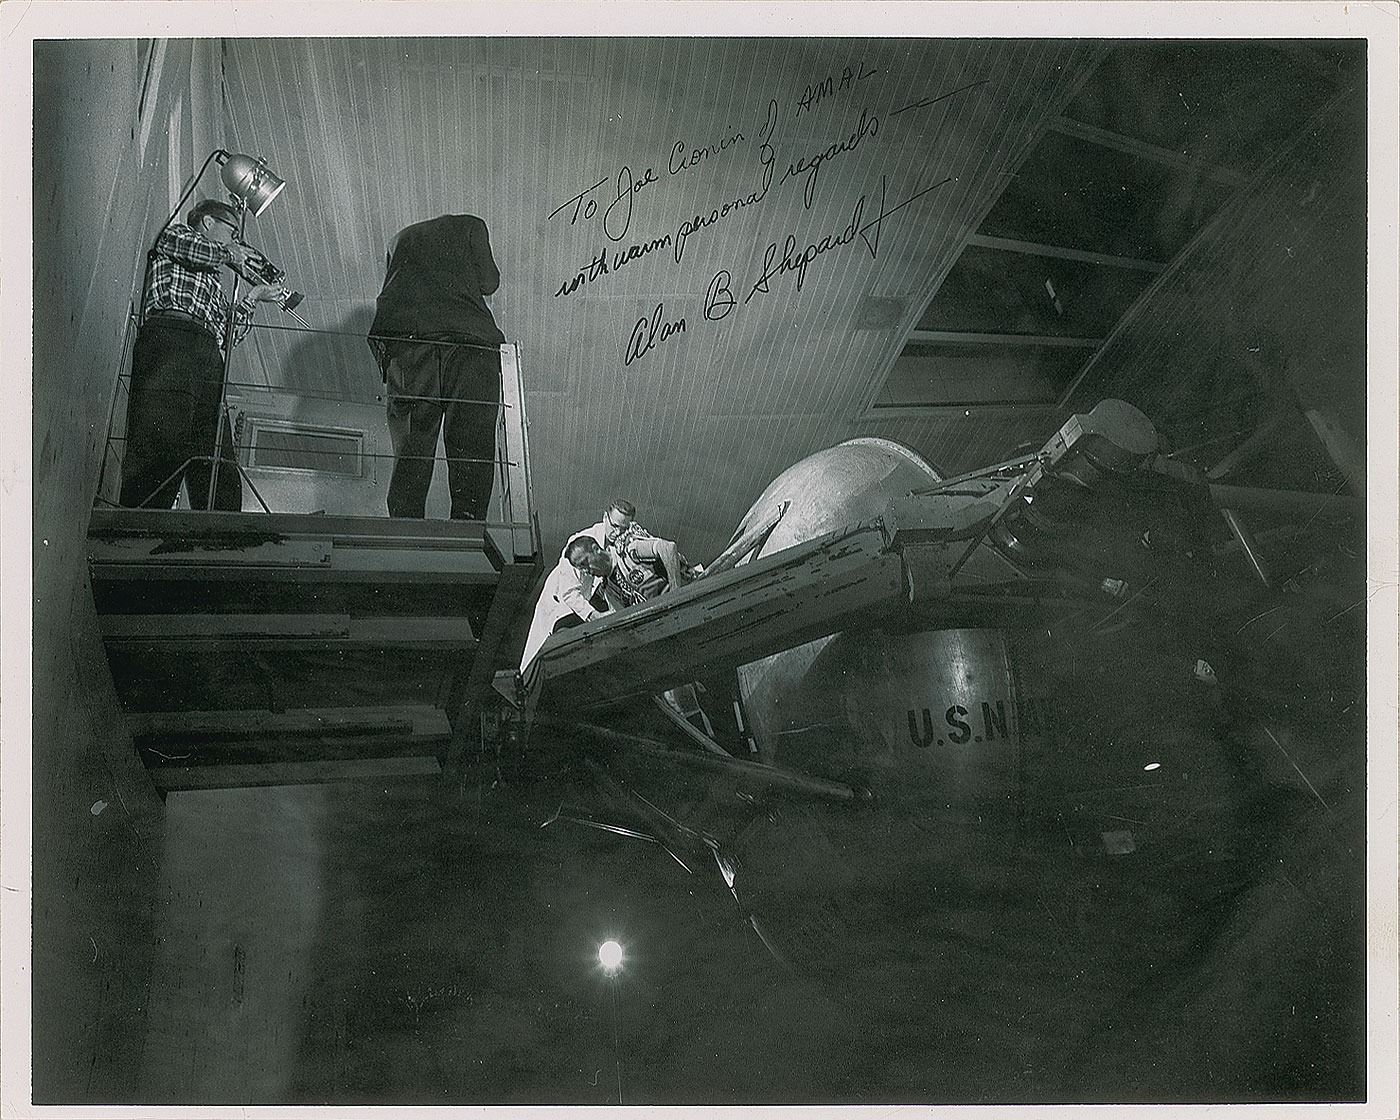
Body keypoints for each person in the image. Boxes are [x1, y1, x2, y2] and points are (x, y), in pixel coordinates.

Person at [119, 199, 286, 510]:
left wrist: (253, 297)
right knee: (164, 432)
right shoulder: (177, 235)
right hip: (174, 335)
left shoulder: (213, 280)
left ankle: (220, 520)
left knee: (214, 444)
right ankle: (143, 515)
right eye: (233, 233)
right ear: (208, 222)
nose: (236, 242)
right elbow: (195, 250)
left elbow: (229, 336)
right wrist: (230, 254)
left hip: (207, 350)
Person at [368, 214, 505, 520]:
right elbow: (489, 282)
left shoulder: (399, 238)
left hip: (410, 347)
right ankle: (467, 528)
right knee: (471, 443)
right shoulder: (472, 225)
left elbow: (393, 286)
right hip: (469, 345)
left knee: (411, 445)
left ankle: (404, 526)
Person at [519, 535, 614, 674]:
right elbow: (570, 594)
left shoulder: (618, 543)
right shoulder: (577, 549)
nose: (586, 571)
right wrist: (594, 616)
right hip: (561, 610)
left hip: (585, 601)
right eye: (583, 567)